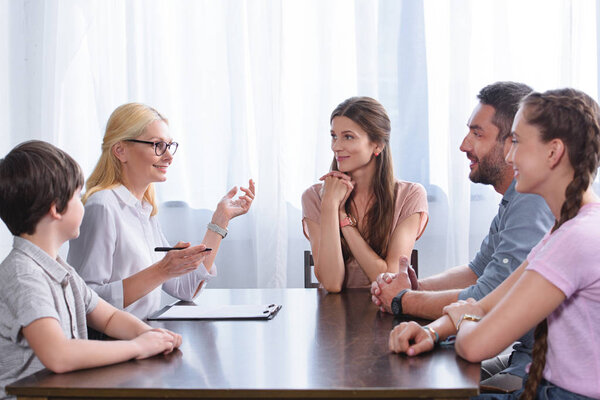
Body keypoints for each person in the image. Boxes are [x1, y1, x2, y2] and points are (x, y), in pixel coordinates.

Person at [389, 88, 600, 400]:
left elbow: (474, 345)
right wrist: (433, 331)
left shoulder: (574, 239)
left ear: (553, 152)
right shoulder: (565, 229)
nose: (510, 155)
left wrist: (467, 315)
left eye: (516, 142)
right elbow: (491, 301)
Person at [371, 82, 555, 391]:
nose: (463, 145)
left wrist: (404, 301)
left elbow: (487, 297)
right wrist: (417, 287)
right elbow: (478, 270)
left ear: (513, 142)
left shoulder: (534, 200)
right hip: (521, 353)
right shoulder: (517, 197)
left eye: (477, 133)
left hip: (539, 364)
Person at [0, 141, 182, 400]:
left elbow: (108, 318)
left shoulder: (62, 272)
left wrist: (149, 334)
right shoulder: (24, 276)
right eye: (77, 195)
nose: (83, 201)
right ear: (56, 208)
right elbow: (59, 356)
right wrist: (137, 347)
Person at [68, 103, 255, 320]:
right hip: (115, 345)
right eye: (157, 145)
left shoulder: (144, 210)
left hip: (145, 338)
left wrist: (220, 220)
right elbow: (86, 302)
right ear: (120, 151)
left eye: (169, 145)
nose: (169, 156)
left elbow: (185, 290)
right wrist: (162, 270)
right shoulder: (102, 207)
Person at [301, 96, 429, 293]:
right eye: (334, 136)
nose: (336, 146)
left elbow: (389, 276)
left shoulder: (409, 196)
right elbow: (332, 283)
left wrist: (342, 217)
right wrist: (329, 205)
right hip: (333, 319)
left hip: (388, 315)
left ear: (377, 145)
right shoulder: (314, 197)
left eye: (348, 137)